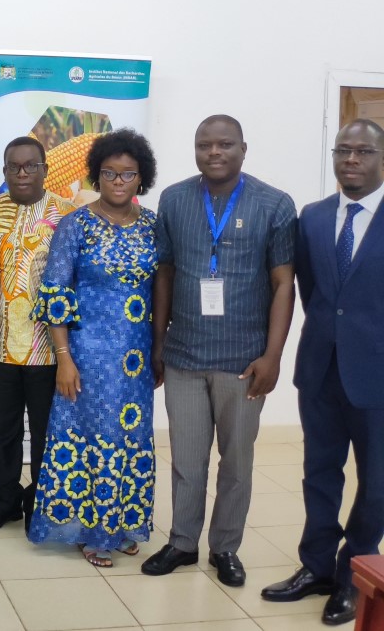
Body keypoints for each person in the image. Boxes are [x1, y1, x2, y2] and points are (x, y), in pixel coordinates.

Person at [142, 115, 296, 586]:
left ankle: (225, 547)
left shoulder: (274, 204)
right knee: (187, 459)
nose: (214, 152)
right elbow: (164, 273)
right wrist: (159, 340)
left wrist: (272, 356)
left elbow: (283, 282)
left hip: (244, 360)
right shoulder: (174, 199)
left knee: (237, 462)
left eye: (225, 144)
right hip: (185, 354)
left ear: (243, 149)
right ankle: (183, 543)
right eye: (204, 144)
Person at [261, 119, 384, 626]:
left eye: (364, 151)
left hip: (377, 377)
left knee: (376, 483)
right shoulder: (311, 218)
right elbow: (310, 293)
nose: (351, 160)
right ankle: (315, 566)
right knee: (318, 474)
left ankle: (355, 571)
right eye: (343, 150)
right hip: (320, 370)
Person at [26, 129, 159, 568]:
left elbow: (163, 290)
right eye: (109, 173)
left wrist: (159, 350)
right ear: (96, 176)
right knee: (94, 438)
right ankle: (91, 531)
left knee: (129, 437)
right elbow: (55, 294)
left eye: (128, 174)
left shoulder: (154, 226)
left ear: (141, 178)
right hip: (86, 355)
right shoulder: (75, 225)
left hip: (135, 359)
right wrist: (64, 358)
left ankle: (119, 525)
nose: (119, 181)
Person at [0, 136, 77, 533]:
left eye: (30, 166)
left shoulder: (67, 214)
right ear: (4, 172)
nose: (22, 173)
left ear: (46, 170)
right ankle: (5, 502)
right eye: (14, 167)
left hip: (49, 350)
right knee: (2, 430)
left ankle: (40, 501)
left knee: (47, 430)